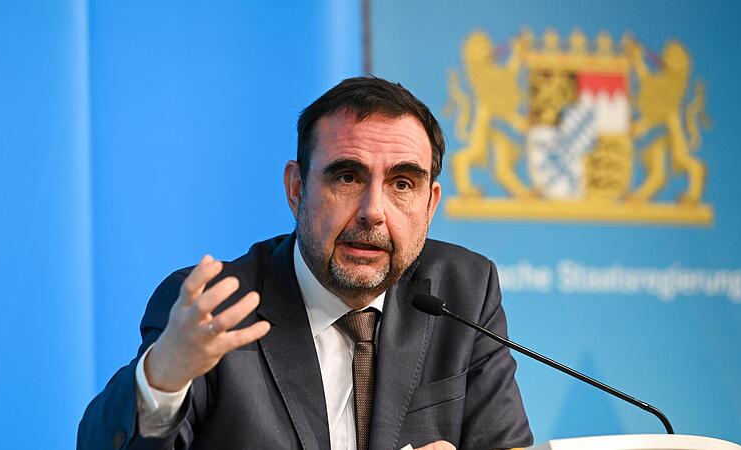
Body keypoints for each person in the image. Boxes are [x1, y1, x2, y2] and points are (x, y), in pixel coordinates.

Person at [78, 77, 532, 450]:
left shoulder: (464, 292)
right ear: (297, 189)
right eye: (348, 177)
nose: (373, 210)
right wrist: (165, 376)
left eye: (402, 183)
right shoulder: (215, 309)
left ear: (430, 205)